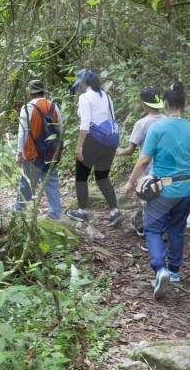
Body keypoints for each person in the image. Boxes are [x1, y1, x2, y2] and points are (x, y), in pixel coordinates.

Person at [124, 82, 190, 300]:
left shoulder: (157, 129)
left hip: (162, 188)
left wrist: (131, 182)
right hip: (187, 187)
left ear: (167, 104)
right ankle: (175, 271)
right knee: (177, 228)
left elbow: (144, 160)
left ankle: (160, 268)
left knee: (152, 229)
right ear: (183, 105)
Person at [66, 69, 122, 227]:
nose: (79, 88)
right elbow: (112, 120)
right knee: (102, 177)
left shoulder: (85, 98)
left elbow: (85, 125)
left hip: (92, 140)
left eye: (80, 84)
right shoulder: (106, 96)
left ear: (84, 82)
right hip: (109, 141)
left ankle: (82, 211)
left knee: (81, 176)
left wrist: (79, 147)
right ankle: (115, 211)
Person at [116, 87, 165, 249]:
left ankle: (151, 238)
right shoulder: (168, 120)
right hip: (168, 168)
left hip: (149, 170)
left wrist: (117, 151)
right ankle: (161, 231)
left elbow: (130, 150)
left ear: (144, 105)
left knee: (149, 204)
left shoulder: (142, 123)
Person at [11, 79, 63, 219]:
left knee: (26, 183)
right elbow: (60, 130)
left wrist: (19, 153)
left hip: (33, 152)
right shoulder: (54, 106)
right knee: (51, 182)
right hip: (50, 153)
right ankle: (55, 214)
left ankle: (19, 208)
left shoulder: (27, 108)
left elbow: (23, 133)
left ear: (30, 92)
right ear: (42, 91)